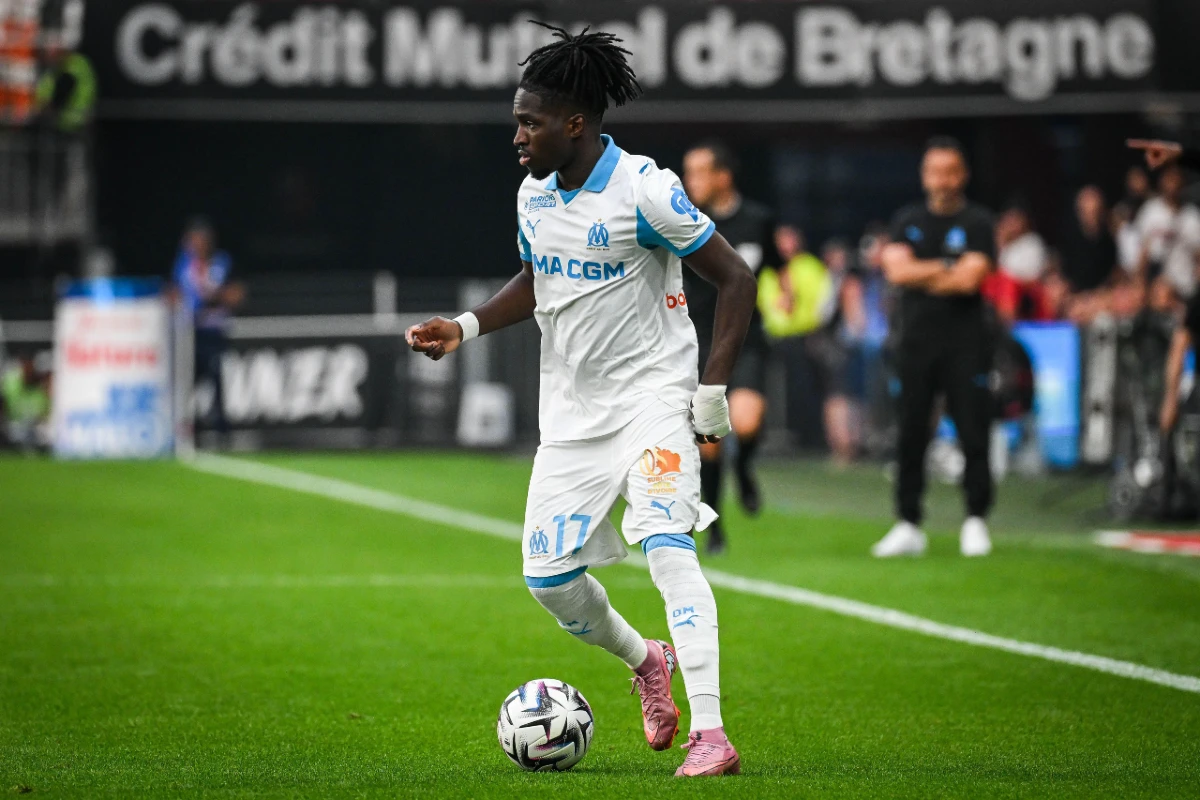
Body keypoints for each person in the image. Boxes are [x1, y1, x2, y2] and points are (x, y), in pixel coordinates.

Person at [406, 23, 756, 778]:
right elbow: (539, 278)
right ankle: (646, 661)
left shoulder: (646, 191)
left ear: (574, 123)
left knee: (667, 545)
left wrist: (711, 390)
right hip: (572, 416)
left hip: (654, 400)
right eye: (517, 122)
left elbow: (735, 277)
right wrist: (464, 326)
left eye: (529, 123)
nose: (517, 137)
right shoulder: (533, 194)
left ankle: (712, 735)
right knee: (548, 580)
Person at [871, 137, 997, 558]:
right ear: (924, 176)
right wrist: (947, 266)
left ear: (963, 175)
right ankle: (908, 523)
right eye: (935, 172)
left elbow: (970, 279)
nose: (942, 180)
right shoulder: (907, 219)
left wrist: (922, 271)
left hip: (966, 344)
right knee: (910, 433)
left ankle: (975, 519)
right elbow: (896, 271)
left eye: (950, 172)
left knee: (973, 429)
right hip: (915, 343)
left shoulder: (979, 222)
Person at [681, 139, 780, 550]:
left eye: (699, 172)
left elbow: (776, 265)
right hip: (700, 341)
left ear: (723, 177)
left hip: (745, 339)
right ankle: (715, 525)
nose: (690, 181)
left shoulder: (758, 220)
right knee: (709, 441)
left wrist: (786, 294)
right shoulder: (685, 222)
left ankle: (744, 469)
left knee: (748, 422)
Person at [170, 218, 244, 439]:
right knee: (187, 380)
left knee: (216, 378)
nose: (197, 244)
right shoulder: (183, 266)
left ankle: (221, 427)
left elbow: (237, 294)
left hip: (213, 332)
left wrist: (213, 296)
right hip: (189, 334)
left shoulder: (222, 263)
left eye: (201, 239)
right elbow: (173, 294)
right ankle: (187, 426)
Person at [1133, 164, 1200, 307]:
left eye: (1176, 179)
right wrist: (1140, 284)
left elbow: (1198, 256)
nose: (1172, 185)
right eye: (1169, 179)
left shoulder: (1192, 216)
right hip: (1157, 287)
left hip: (1185, 288)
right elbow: (1143, 253)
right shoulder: (1150, 211)